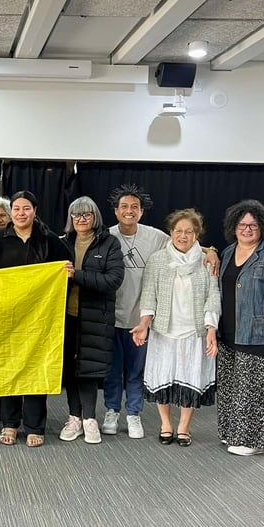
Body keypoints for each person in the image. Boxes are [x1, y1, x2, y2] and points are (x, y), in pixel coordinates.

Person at [102, 184, 219, 439]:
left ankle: (134, 414)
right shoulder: (106, 236)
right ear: (115, 211)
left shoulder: (156, 237)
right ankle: (111, 411)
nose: (129, 211)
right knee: (112, 370)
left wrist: (212, 251)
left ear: (142, 212)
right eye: (124, 206)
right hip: (112, 317)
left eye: (135, 207)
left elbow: (189, 244)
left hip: (145, 321)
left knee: (137, 372)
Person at [0, 190, 73, 447]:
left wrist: (66, 272)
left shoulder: (49, 240)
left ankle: (34, 425)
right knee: (9, 369)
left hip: (38, 321)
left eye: (26, 208)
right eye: (16, 209)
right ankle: (9, 423)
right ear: (11, 213)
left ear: (35, 211)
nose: (21, 213)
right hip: (6, 319)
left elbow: (66, 265)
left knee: (35, 369)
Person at [131, 209, 220, 447]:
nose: (183, 235)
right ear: (170, 233)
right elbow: (149, 295)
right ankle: (166, 424)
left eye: (188, 231)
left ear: (196, 234)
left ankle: (184, 426)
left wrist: (211, 329)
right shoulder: (158, 259)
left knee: (190, 376)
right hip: (164, 331)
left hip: (195, 332)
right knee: (164, 376)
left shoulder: (207, 260)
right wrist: (143, 323)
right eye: (178, 231)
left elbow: (213, 295)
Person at [58, 197, 124, 445]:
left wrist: (78, 275)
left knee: (88, 370)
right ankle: (74, 417)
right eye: (76, 215)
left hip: (95, 318)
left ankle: (89, 419)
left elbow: (114, 280)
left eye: (86, 214)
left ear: (95, 216)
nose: (81, 219)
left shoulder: (109, 243)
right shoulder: (62, 243)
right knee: (70, 370)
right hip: (64, 317)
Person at [217, 200, 264, 456]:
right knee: (231, 386)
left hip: (259, 334)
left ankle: (252, 441)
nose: (247, 229)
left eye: (253, 225)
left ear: (262, 227)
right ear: (234, 226)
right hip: (228, 332)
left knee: (254, 389)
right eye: (242, 224)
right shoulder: (228, 252)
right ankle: (231, 433)